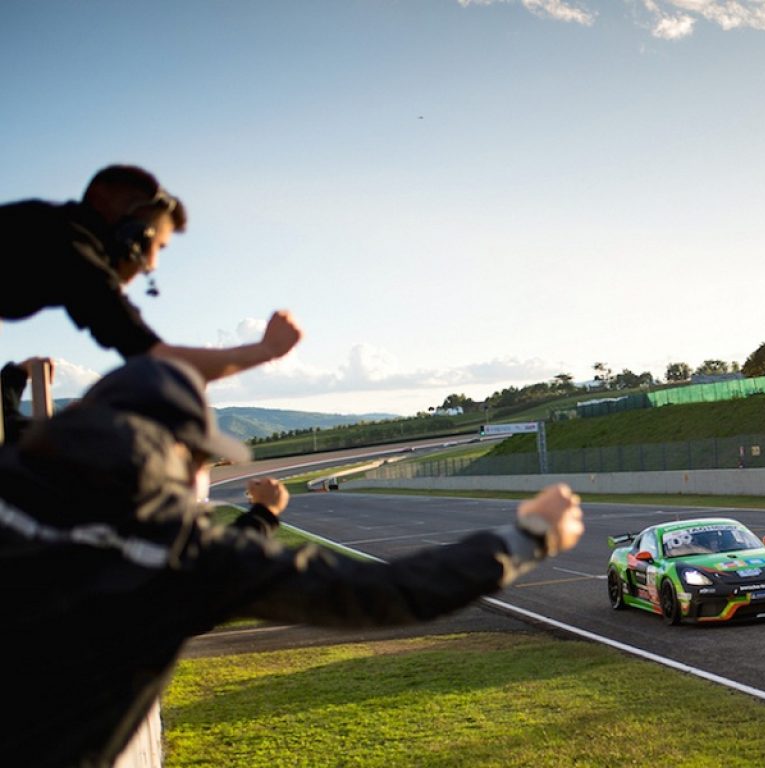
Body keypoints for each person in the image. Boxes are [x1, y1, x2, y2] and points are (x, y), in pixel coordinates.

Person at [0, 356, 585, 767]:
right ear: (180, 456)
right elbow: (382, 592)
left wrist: (12, 390)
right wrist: (525, 538)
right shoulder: (179, 555)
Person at [0, 165, 302, 381]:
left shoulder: (45, 225)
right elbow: (158, 363)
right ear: (132, 236)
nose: (152, 264)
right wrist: (266, 349)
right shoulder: (73, 250)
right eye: (157, 245)